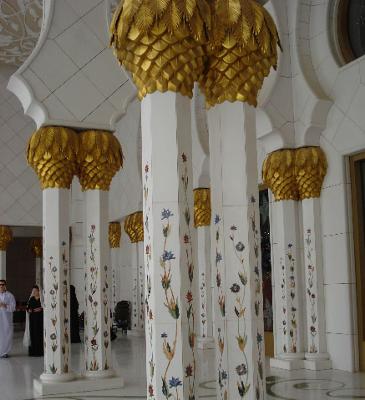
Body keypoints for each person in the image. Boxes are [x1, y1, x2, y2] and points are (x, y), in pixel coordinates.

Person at [0, 279, 16, 358]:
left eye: (3, 284)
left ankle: (4, 352)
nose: (1, 286)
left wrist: (5, 305)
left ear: (5, 286)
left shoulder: (10, 295)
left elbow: (13, 308)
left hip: (6, 319)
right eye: (0, 285)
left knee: (6, 334)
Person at [26, 285, 43, 356]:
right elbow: (28, 308)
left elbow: (44, 307)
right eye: (33, 291)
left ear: (39, 291)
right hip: (33, 319)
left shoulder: (42, 299)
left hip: (40, 319)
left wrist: (40, 309)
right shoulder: (31, 299)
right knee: (33, 333)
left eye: (36, 291)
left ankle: (40, 351)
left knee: (39, 333)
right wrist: (30, 310)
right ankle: (33, 352)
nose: (35, 292)